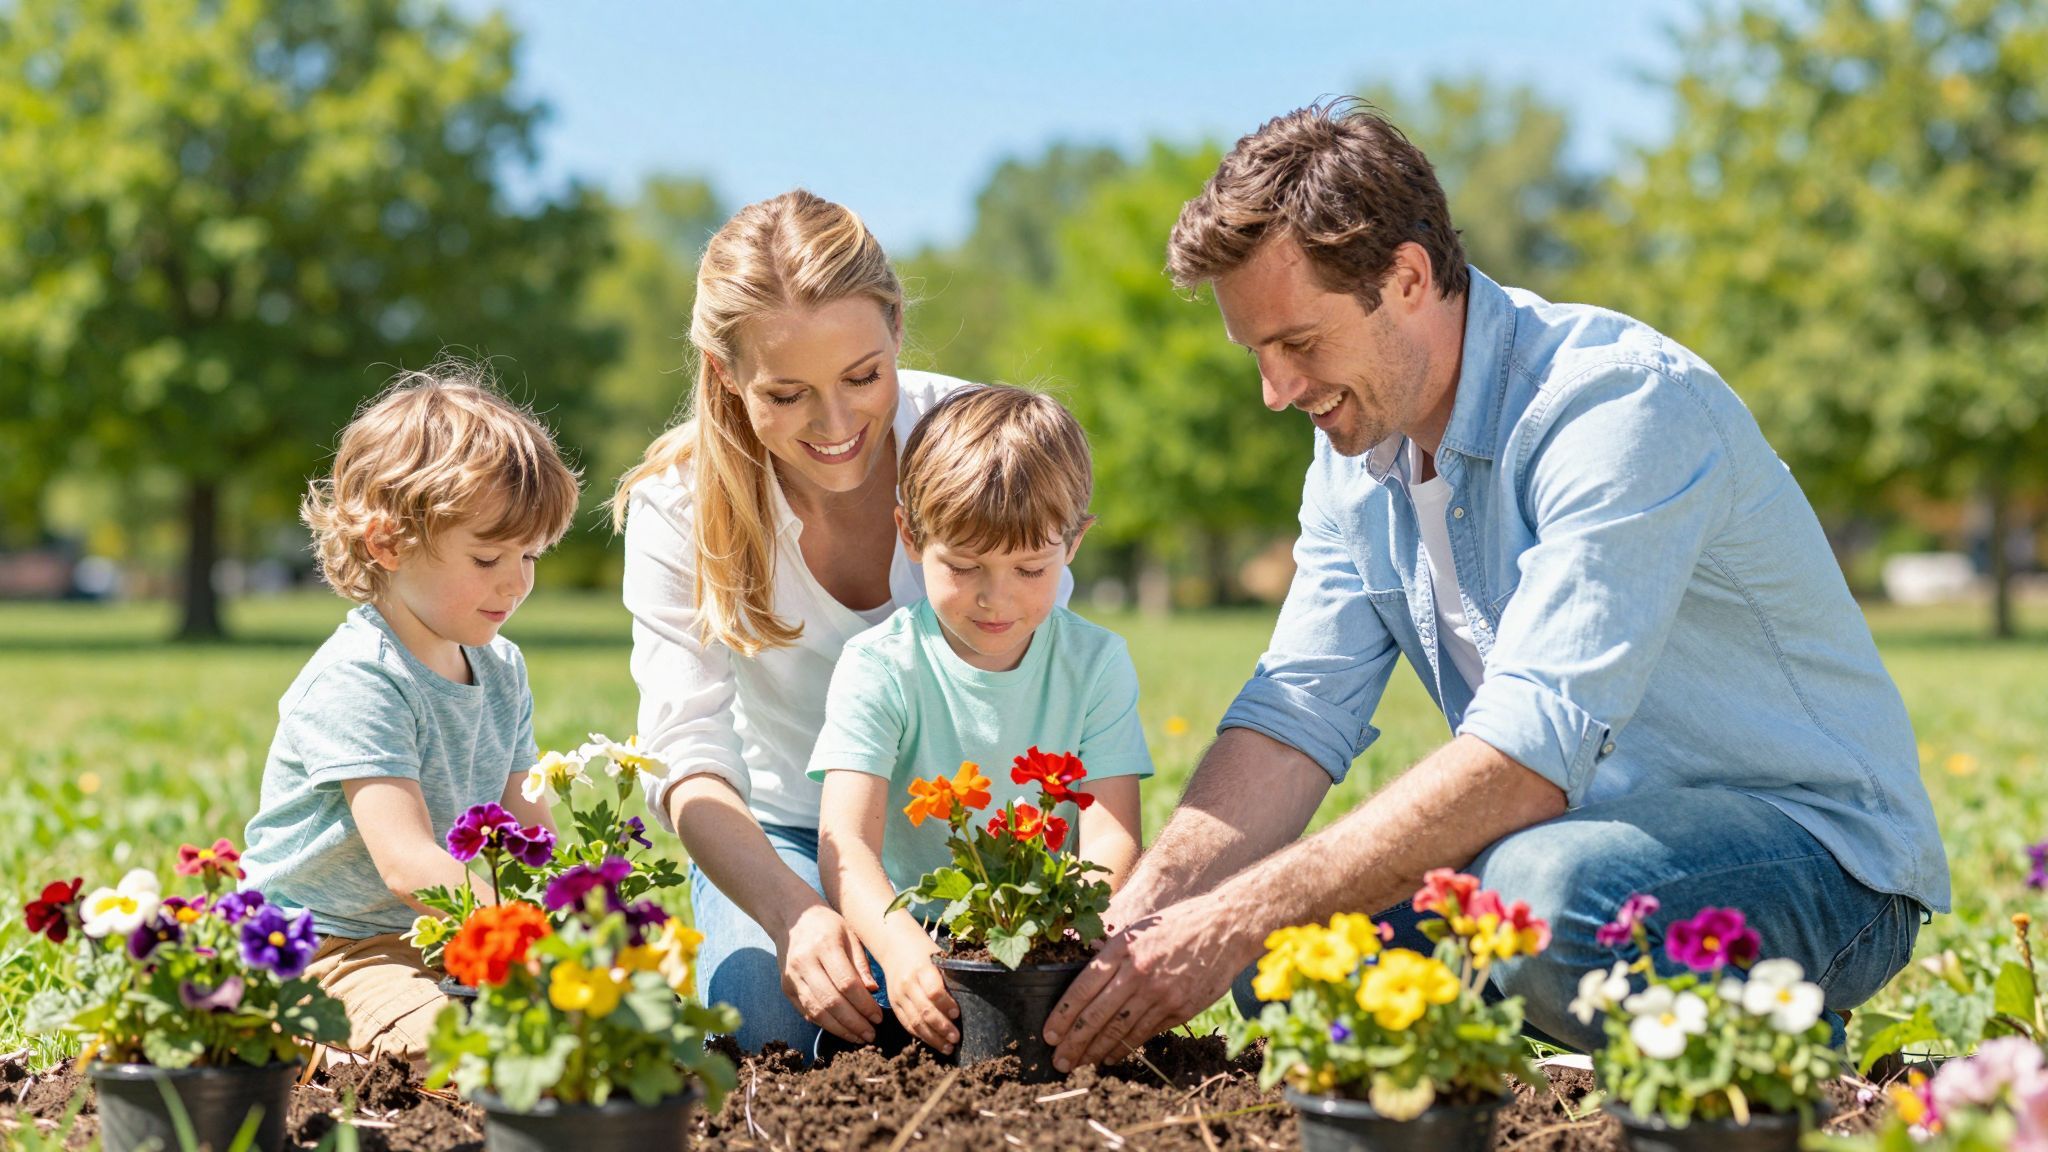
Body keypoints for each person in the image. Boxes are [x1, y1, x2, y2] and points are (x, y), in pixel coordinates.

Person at [1040, 100, 1948, 1072]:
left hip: (1811, 856)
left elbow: (1525, 753)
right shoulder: (1350, 459)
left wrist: (1229, 913)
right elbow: (1294, 713)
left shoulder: (1616, 407)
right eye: (1253, 353)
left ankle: (1781, 1067)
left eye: (1296, 344)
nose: (1274, 391)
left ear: (1405, 278)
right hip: (1578, 839)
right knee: (1285, 964)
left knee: (1538, 897)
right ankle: (1567, 1053)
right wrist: (1142, 919)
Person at [614, 190, 1070, 1054]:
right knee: (773, 1023)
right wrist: (796, 917)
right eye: (786, 394)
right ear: (724, 371)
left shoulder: (981, 447)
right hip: (786, 834)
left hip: (974, 830)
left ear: (896, 327)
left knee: (1007, 1033)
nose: (835, 426)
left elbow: (1057, 678)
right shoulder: (679, 507)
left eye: (863, 377)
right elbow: (689, 761)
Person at [241, 360, 579, 1060]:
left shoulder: (501, 666)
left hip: (450, 937)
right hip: (335, 947)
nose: (517, 582)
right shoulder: (359, 677)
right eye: (488, 558)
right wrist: (525, 935)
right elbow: (405, 862)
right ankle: (291, 1033)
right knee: (458, 1053)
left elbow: (529, 831)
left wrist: (578, 923)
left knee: (612, 1024)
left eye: (532, 555)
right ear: (388, 544)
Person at [812, 385, 1150, 1054]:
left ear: (1074, 543)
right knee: (836, 1037)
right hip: (907, 940)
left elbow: (1113, 841)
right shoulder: (881, 665)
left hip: (1042, 943)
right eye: (963, 566)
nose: (997, 599)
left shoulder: (1097, 663)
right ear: (909, 535)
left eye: (1030, 568)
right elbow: (846, 841)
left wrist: (1069, 937)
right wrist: (898, 944)